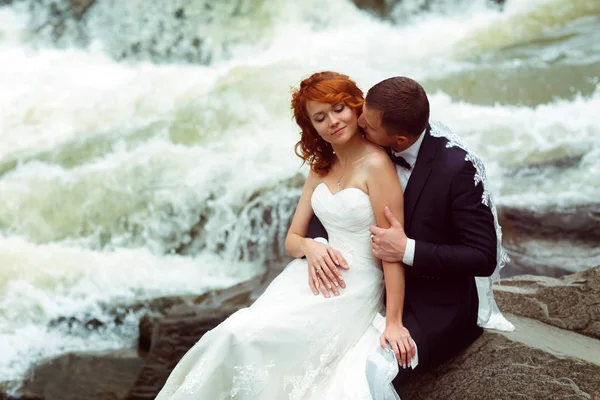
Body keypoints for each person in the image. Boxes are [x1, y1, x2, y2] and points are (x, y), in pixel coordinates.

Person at [155, 71, 412, 400]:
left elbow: (392, 249)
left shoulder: (377, 165)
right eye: (320, 117)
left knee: (257, 340)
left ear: (355, 106)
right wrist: (311, 247)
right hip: (313, 273)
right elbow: (291, 239)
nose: (332, 121)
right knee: (236, 331)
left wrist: (394, 321)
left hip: (357, 285)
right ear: (312, 127)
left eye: (338, 109)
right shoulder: (321, 167)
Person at [307, 76, 514, 390]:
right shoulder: (372, 136)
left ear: (400, 140)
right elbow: (331, 200)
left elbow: (484, 257)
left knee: (363, 372)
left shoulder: (457, 169)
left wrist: (406, 249)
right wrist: (318, 243)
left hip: (434, 304)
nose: (358, 122)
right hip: (365, 287)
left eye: (368, 123)